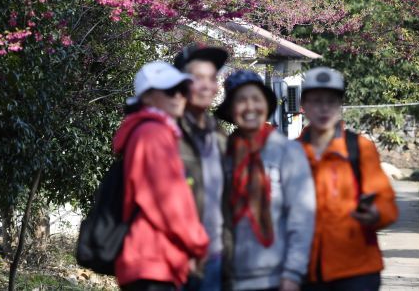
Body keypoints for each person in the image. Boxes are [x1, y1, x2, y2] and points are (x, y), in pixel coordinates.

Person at [297, 67, 398, 291]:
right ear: (304, 105)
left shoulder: (360, 148)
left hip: (357, 270)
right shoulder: (291, 152)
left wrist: (376, 214)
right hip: (304, 270)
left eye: (331, 101)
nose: (324, 108)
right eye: (316, 101)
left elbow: (385, 201)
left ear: (340, 105)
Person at [114, 61, 210, 291]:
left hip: (153, 260)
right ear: (146, 97)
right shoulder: (153, 134)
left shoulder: (152, 131)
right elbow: (169, 201)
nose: (178, 96)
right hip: (153, 261)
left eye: (182, 90)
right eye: (169, 90)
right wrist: (198, 243)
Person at [216, 70, 316, 291]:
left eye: (256, 99)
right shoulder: (222, 155)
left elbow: (302, 218)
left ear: (266, 105)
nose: (250, 107)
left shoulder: (288, 152)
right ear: (231, 110)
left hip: (278, 277)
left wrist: (293, 273)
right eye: (241, 100)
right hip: (230, 276)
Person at [174, 44, 230, 291]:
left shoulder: (218, 135)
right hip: (177, 261)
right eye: (198, 78)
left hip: (216, 258)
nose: (207, 85)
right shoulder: (166, 133)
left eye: (212, 78)